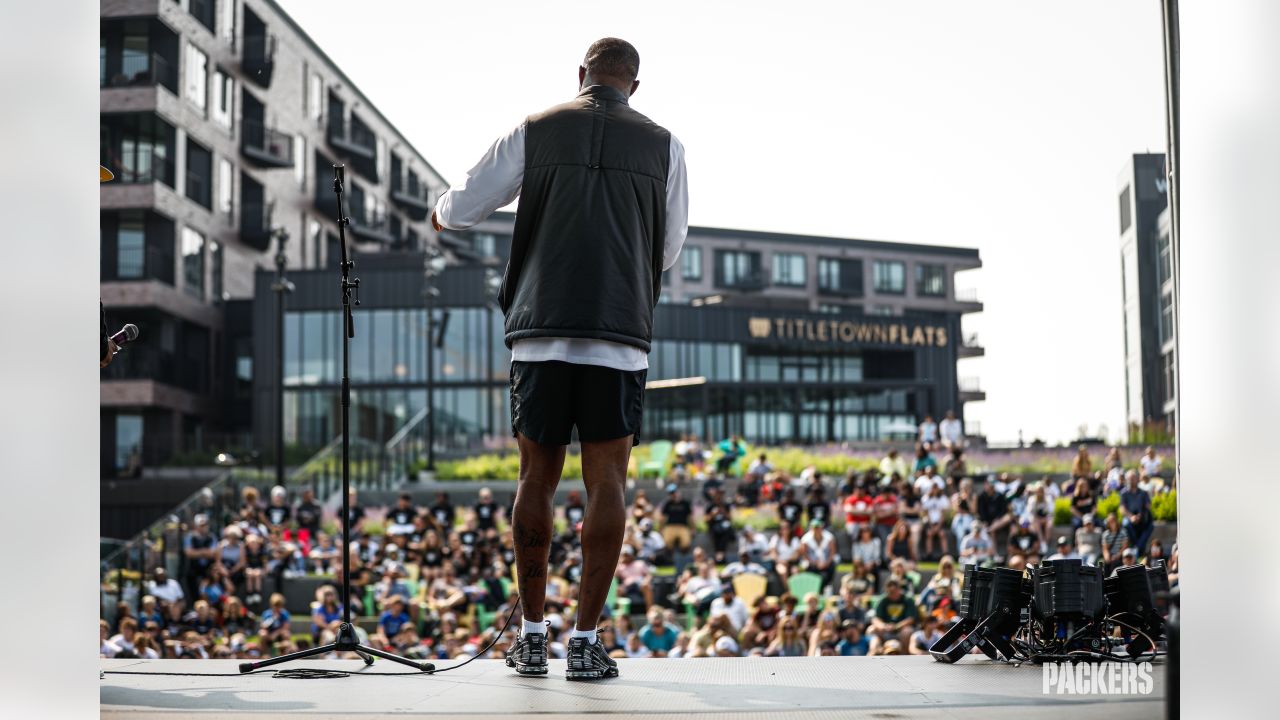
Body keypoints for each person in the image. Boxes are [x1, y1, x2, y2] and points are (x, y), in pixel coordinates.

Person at [867, 579, 918, 655]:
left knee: (907, 632)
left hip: (901, 629)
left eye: (893, 591)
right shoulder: (883, 600)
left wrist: (896, 626)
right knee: (871, 630)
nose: (891, 594)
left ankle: (905, 655)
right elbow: (876, 618)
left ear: (899, 589)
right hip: (886, 629)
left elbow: (910, 619)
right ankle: (876, 652)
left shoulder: (908, 600)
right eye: (889, 592)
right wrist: (884, 626)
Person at [1120, 470, 1155, 555]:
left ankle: (1136, 548)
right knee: (1126, 524)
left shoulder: (1143, 493)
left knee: (1150, 526)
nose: (1131, 481)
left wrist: (1140, 515)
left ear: (1137, 479)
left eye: (1133, 478)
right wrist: (1131, 517)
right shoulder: (1124, 493)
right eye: (1129, 479)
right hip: (1129, 517)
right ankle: (1138, 548)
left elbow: (1148, 506)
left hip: (1141, 516)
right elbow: (1122, 508)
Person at [799, 519, 839, 591]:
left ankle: (827, 587)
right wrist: (814, 563)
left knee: (832, 565)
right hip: (812, 563)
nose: (816, 529)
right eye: (815, 527)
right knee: (807, 567)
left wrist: (826, 563)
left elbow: (832, 552)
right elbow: (804, 554)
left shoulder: (829, 537)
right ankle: (813, 588)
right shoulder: (805, 539)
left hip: (826, 562)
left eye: (818, 527)